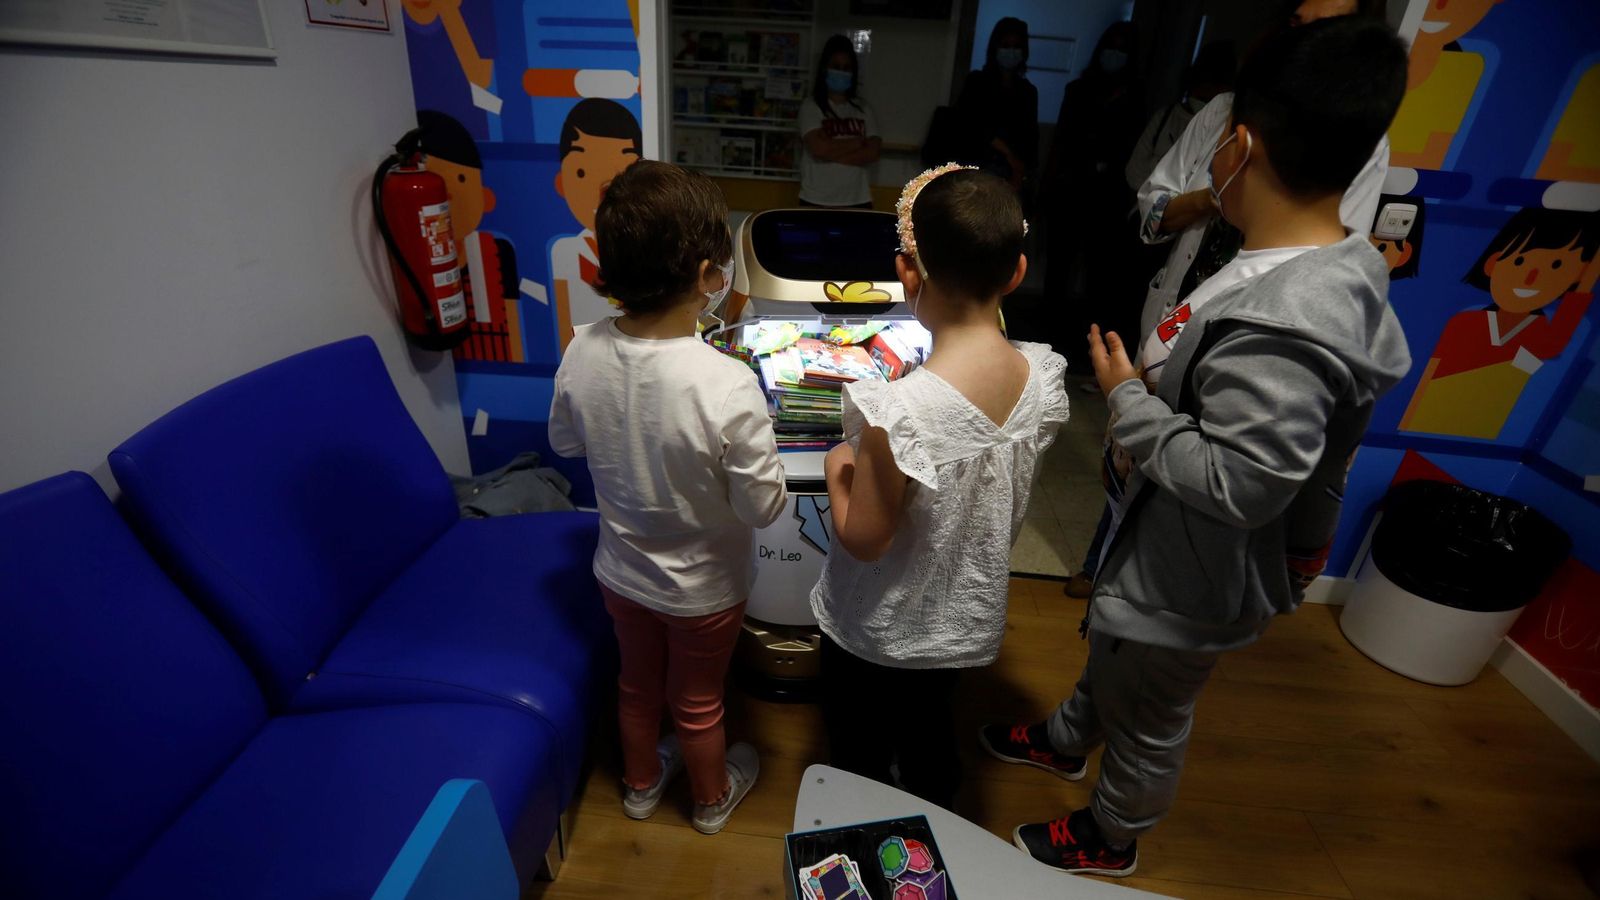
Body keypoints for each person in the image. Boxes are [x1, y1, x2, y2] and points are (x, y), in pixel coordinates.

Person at [984, 16, 1411, 875]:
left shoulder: (1293, 320)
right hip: (1160, 534)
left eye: (1214, 141)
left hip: (1193, 571)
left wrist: (1128, 404)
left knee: (1150, 709)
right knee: (1116, 653)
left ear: (1239, 146)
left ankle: (1112, 835)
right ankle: (1067, 739)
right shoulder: (1282, 259)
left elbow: (1244, 482)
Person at [1062, 0, 1386, 600]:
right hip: (1174, 328)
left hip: (1180, 593)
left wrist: (1130, 399)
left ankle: (1126, 583)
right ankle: (1109, 569)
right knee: (1134, 479)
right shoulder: (1219, 124)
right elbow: (1152, 210)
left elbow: (1232, 484)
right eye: (1299, 25)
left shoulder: (1281, 316)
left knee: (1170, 502)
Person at [811, 165, 1069, 811]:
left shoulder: (897, 412)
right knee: (929, 736)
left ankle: (866, 839)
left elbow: (866, 539)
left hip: (878, 634)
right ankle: (930, 840)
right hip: (957, 630)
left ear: (908, 272)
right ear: (1015, 272)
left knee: (860, 753)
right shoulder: (1043, 376)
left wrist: (836, 468)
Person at [548, 160, 787, 835]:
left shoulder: (581, 349)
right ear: (710, 275)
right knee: (698, 702)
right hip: (705, 592)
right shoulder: (728, 382)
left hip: (621, 577)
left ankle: (640, 786)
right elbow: (762, 508)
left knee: (635, 686)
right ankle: (711, 801)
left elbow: (566, 444)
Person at [1399, 208, 1598, 440]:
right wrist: (1407, 428)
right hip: (1429, 425)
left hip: (1488, 430)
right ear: (1493, 263)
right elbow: (1429, 375)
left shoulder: (1540, 332)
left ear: (1576, 277)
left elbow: (1556, 342)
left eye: (1556, 266)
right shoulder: (1465, 323)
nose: (1530, 277)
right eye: (1520, 261)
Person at [1042, 21, 1146, 366]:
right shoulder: (1079, 90)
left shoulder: (1135, 98)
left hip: (1109, 199)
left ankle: (1090, 352)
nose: (1113, 55)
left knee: (1100, 280)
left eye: (1121, 50)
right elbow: (1061, 143)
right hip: (1071, 191)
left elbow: (1134, 152)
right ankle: (1050, 343)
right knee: (1058, 270)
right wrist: (1051, 183)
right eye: (1109, 47)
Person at [549, 99, 643, 351]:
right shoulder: (566, 252)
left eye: (620, 175)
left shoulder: (644, 248)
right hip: (587, 356)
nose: (604, 190)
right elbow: (563, 323)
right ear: (561, 182)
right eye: (581, 172)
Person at [1123, 41, 1236, 195]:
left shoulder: (1225, 132)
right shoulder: (1165, 117)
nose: (1208, 93)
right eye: (1204, 86)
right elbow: (1134, 173)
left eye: (1215, 88)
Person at [951, 17, 1039, 192]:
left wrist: (1019, 171)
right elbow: (971, 124)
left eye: (1016, 47)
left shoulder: (1027, 91)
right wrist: (1008, 154)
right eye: (1006, 46)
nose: (1011, 51)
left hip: (1012, 176)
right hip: (975, 169)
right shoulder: (977, 82)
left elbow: (1030, 139)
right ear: (995, 48)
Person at [798, 34, 882, 209]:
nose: (841, 72)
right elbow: (818, 149)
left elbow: (873, 153)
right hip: (816, 199)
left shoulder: (863, 108)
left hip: (857, 200)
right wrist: (857, 143)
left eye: (846, 68)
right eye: (836, 66)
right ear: (824, 69)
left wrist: (830, 152)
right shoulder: (811, 106)